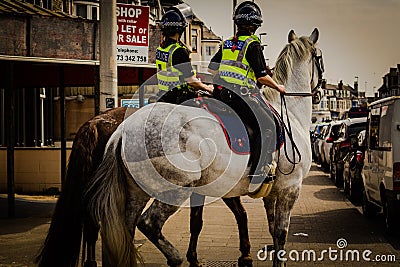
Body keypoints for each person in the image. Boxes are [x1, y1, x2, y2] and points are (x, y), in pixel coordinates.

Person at [207, 1, 286, 191]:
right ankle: (259, 172)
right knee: (268, 126)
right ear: (255, 26)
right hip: (241, 98)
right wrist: (278, 87)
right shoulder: (253, 44)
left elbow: (211, 68)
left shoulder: (226, 44)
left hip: (222, 97)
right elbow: (261, 76)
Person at [156, 7, 212, 104]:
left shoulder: (160, 49)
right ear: (180, 30)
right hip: (179, 98)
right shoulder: (179, 51)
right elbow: (190, 81)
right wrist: (208, 88)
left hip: (163, 95)